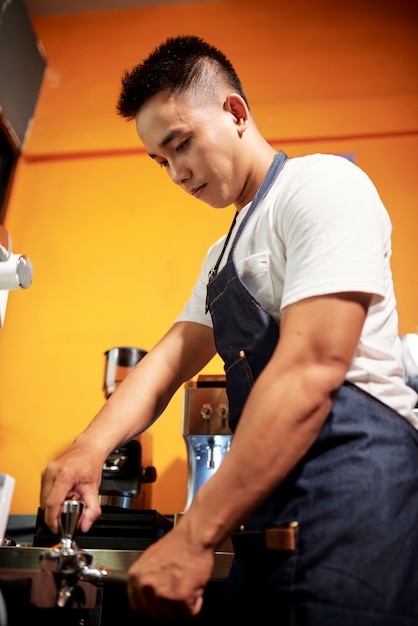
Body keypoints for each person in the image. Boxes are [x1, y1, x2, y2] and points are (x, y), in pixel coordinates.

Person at [40, 35, 418, 624]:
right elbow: (167, 362)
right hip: (266, 505)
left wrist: (193, 537)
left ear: (236, 113)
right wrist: (88, 449)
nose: (176, 172)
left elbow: (312, 369)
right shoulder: (223, 252)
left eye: (181, 144)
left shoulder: (320, 188)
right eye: (160, 161)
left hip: (354, 483)